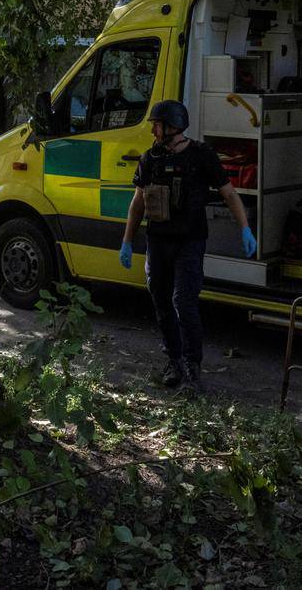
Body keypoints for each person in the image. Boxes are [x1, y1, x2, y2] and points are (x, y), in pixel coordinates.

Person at [120, 99, 256, 390]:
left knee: (183, 301)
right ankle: (174, 361)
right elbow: (138, 203)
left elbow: (229, 194)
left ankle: (193, 366)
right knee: (161, 301)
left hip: (189, 242)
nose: (153, 130)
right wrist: (127, 241)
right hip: (158, 242)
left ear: (172, 126)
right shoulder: (149, 159)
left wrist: (245, 228)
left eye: (157, 125)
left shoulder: (201, 155)